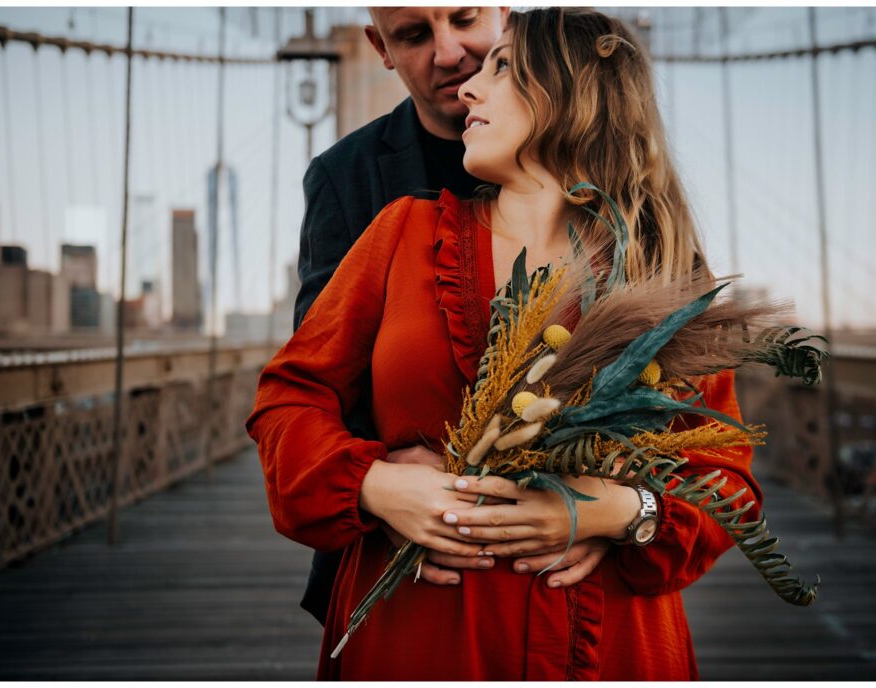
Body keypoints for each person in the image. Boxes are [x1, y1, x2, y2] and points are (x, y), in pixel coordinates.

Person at [250, 8, 763, 680]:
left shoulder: (660, 270)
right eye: (413, 36)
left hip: (602, 640)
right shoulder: (401, 233)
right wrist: (376, 485)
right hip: (422, 631)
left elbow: (726, 481)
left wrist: (621, 510)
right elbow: (291, 401)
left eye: (499, 64)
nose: (464, 83)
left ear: (570, 91)